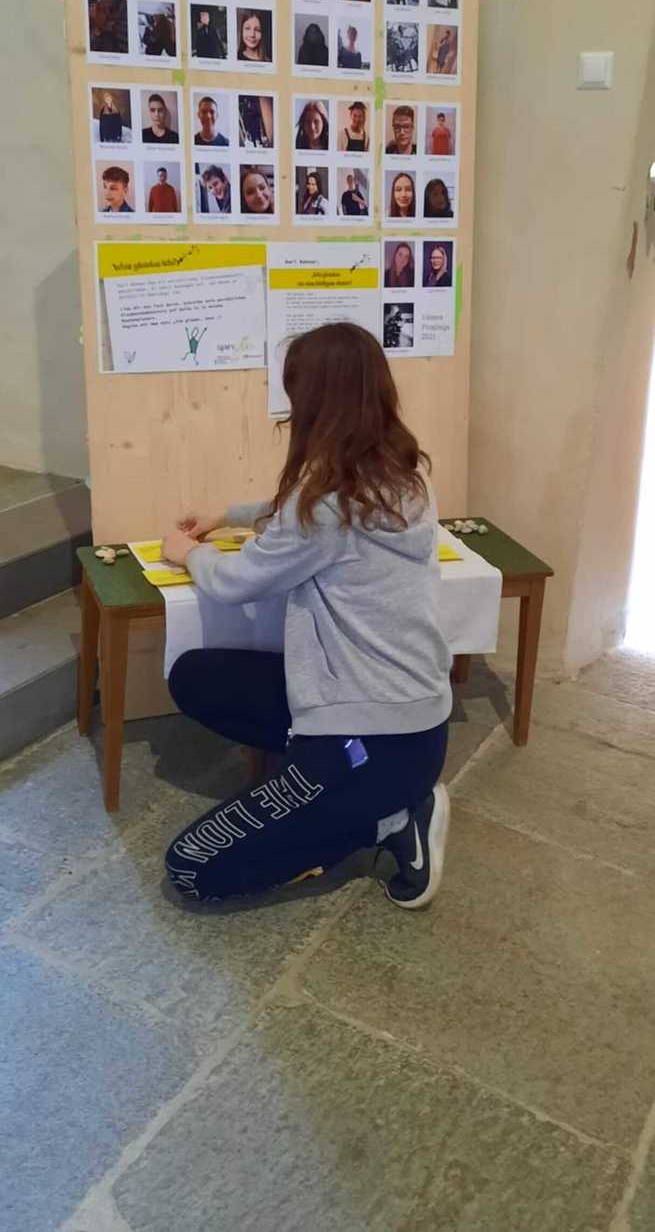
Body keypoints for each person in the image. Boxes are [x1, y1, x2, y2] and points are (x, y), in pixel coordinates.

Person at [162, 321, 452, 910]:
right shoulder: (404, 478)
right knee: (195, 675)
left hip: (370, 742)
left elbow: (236, 581)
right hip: (412, 723)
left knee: (191, 868)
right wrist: (228, 513)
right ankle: (343, 791)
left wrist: (187, 552)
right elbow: (300, 515)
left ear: (315, 402)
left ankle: (391, 819)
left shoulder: (323, 508)